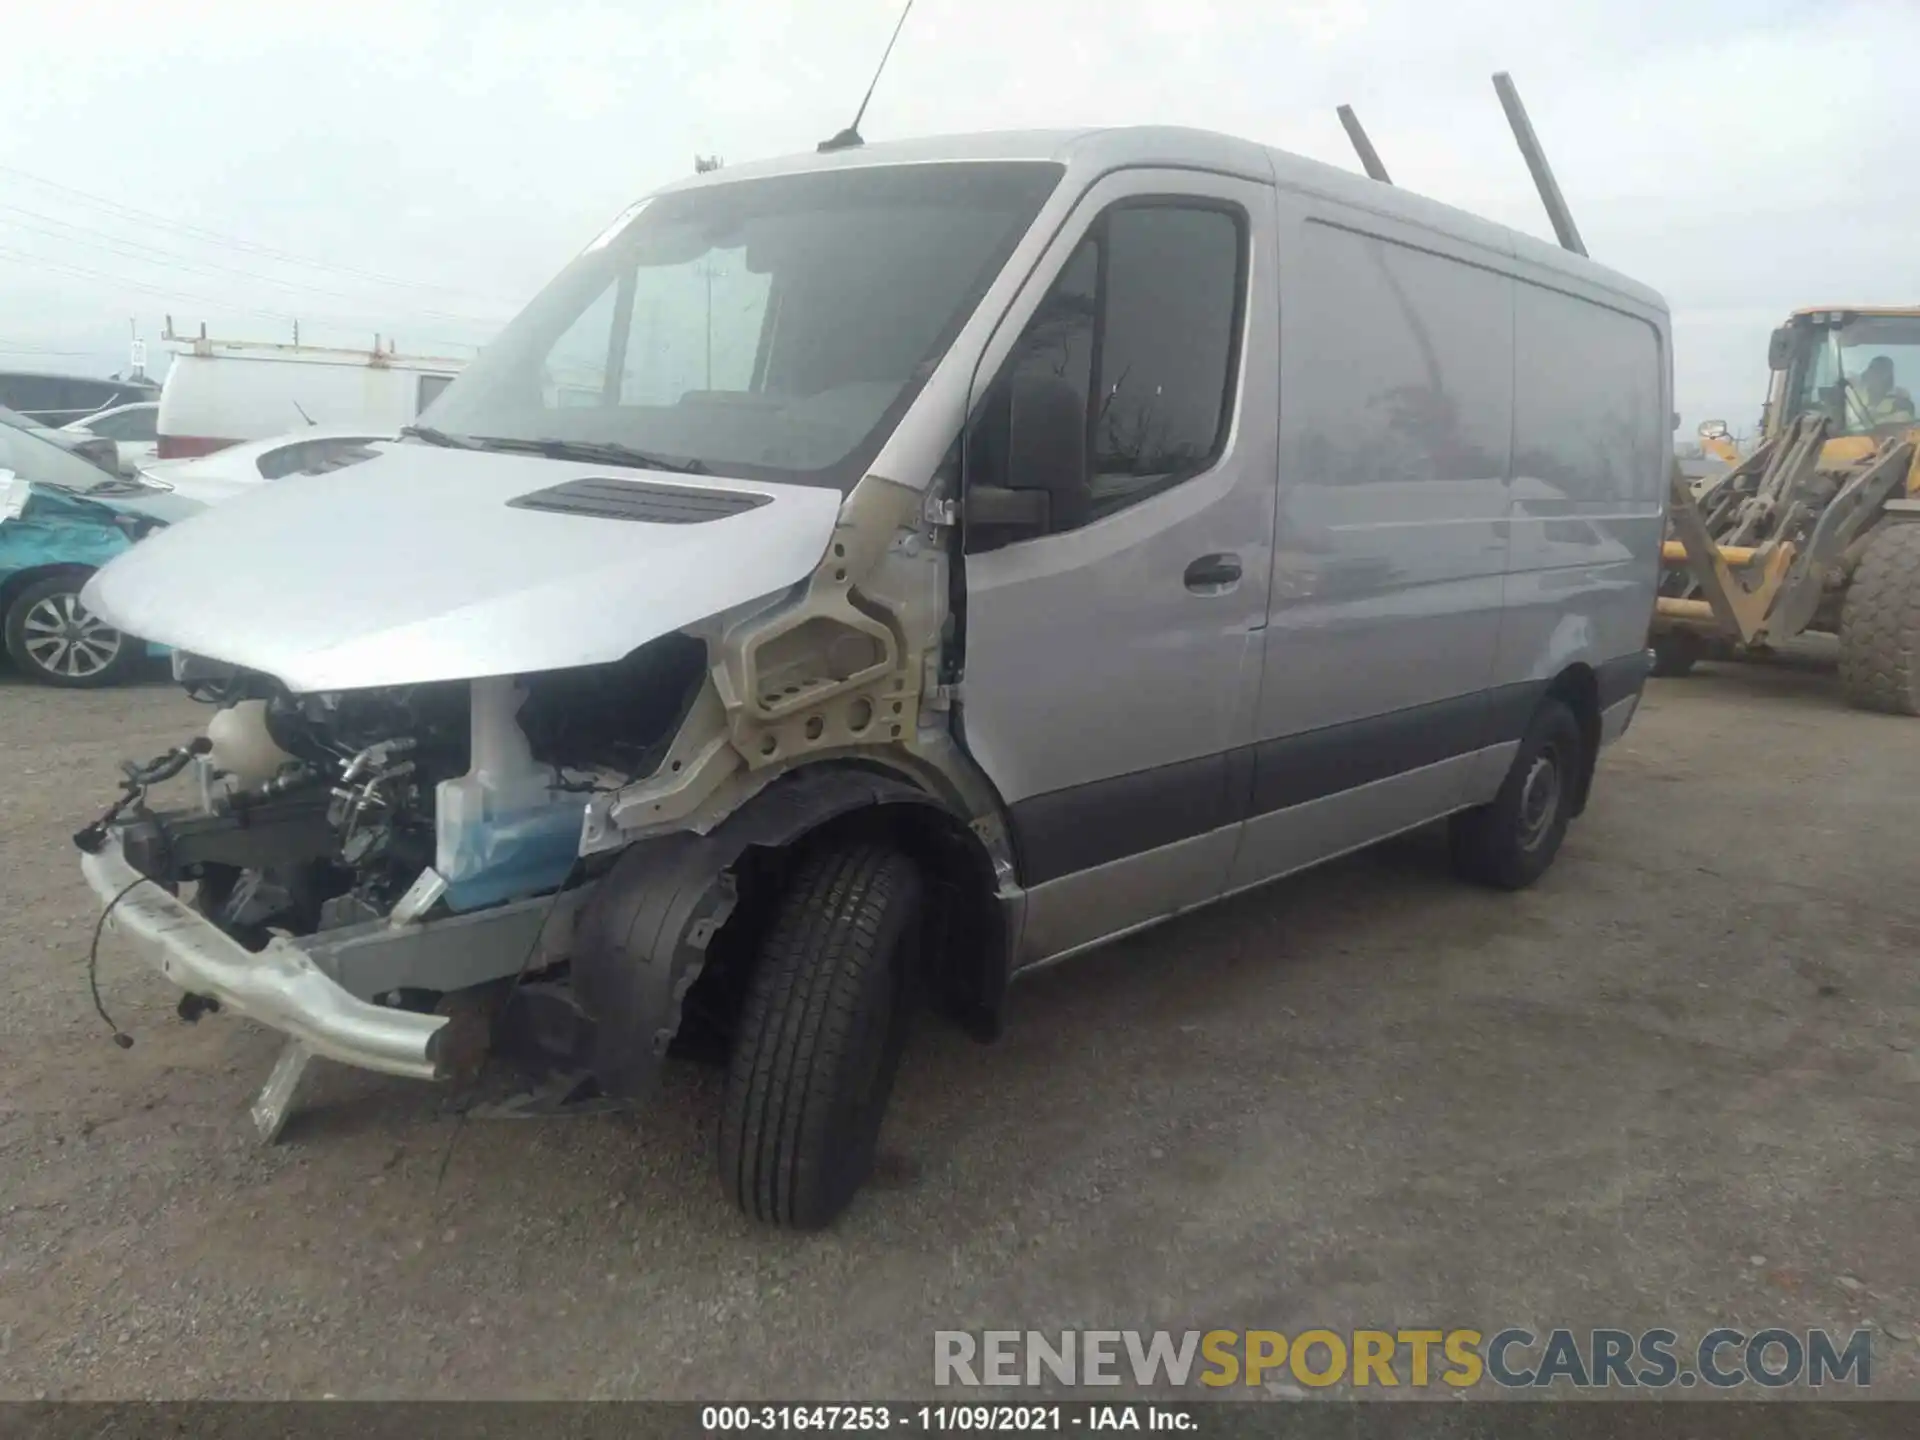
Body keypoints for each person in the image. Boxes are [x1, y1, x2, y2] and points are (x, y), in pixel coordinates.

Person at [1854, 355, 1916, 427]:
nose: (1867, 374)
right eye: (1870, 369)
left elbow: (1900, 422)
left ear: (1887, 376)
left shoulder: (1901, 403)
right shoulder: (1855, 398)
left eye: (1876, 371)